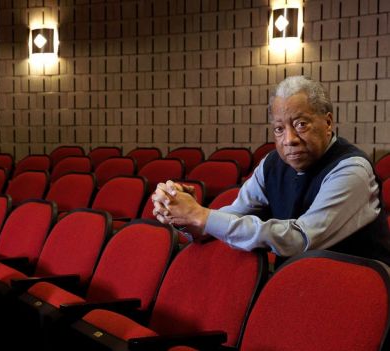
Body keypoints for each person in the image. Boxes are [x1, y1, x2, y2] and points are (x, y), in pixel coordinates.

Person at [152, 75, 390, 265]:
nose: (289, 139)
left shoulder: (351, 170)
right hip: (298, 285)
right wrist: (185, 213)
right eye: (279, 129)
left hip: (358, 295)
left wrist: (203, 216)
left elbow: (300, 239)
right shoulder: (271, 164)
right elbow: (233, 217)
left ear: (328, 123)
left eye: (301, 124)